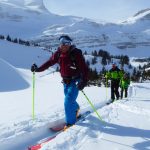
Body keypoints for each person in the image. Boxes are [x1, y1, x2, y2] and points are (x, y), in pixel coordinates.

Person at [31, 35, 88, 129]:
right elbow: (49, 63)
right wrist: (38, 69)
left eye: (66, 43)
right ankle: (76, 109)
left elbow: (85, 69)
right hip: (65, 81)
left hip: (75, 81)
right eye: (61, 43)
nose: (63, 45)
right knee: (69, 99)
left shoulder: (76, 54)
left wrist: (84, 81)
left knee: (68, 101)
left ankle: (70, 124)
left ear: (70, 44)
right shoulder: (58, 54)